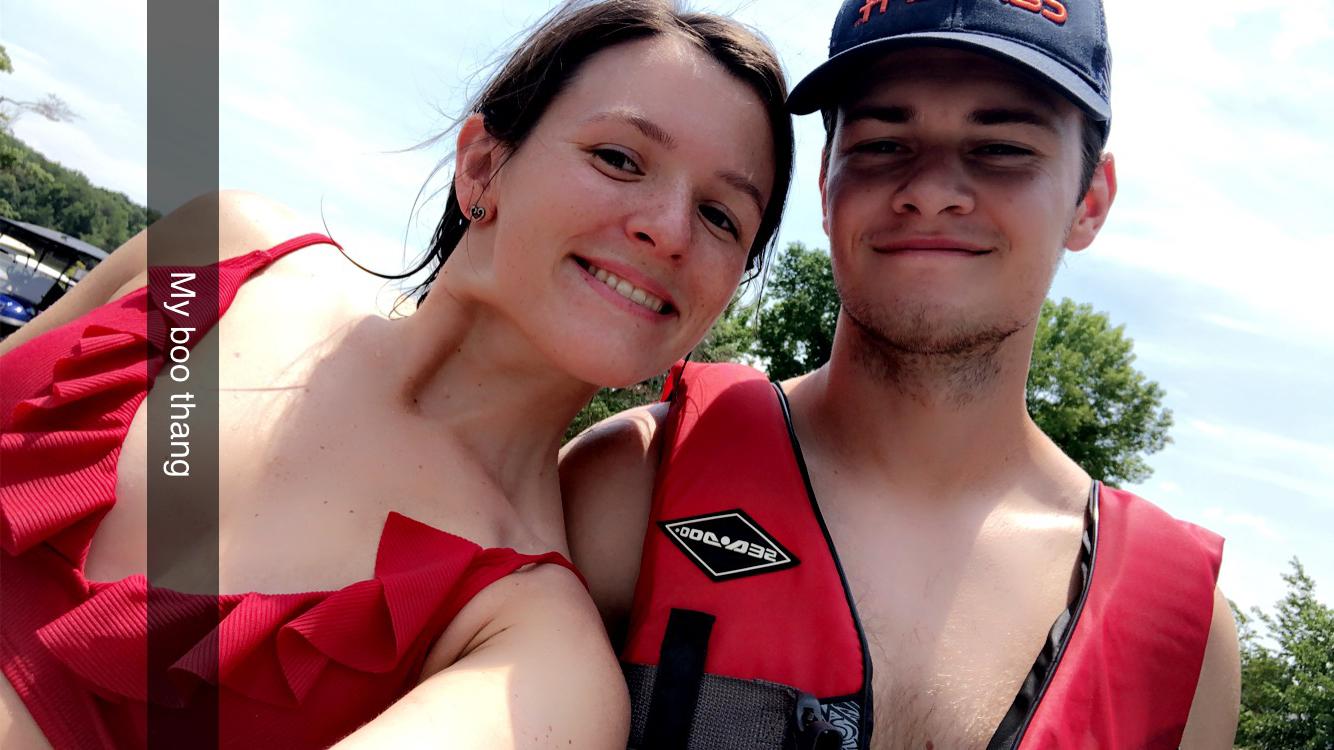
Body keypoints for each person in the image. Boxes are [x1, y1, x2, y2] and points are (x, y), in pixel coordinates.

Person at [0, 1, 794, 747]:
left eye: (721, 216)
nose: (670, 230)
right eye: (619, 159)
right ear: (482, 164)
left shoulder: (538, 660)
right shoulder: (219, 248)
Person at [560, 1, 1240, 748]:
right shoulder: (633, 480)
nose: (932, 189)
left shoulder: (1184, 640)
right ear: (826, 185)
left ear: (1090, 201)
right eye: (884, 143)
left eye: (1003, 148)